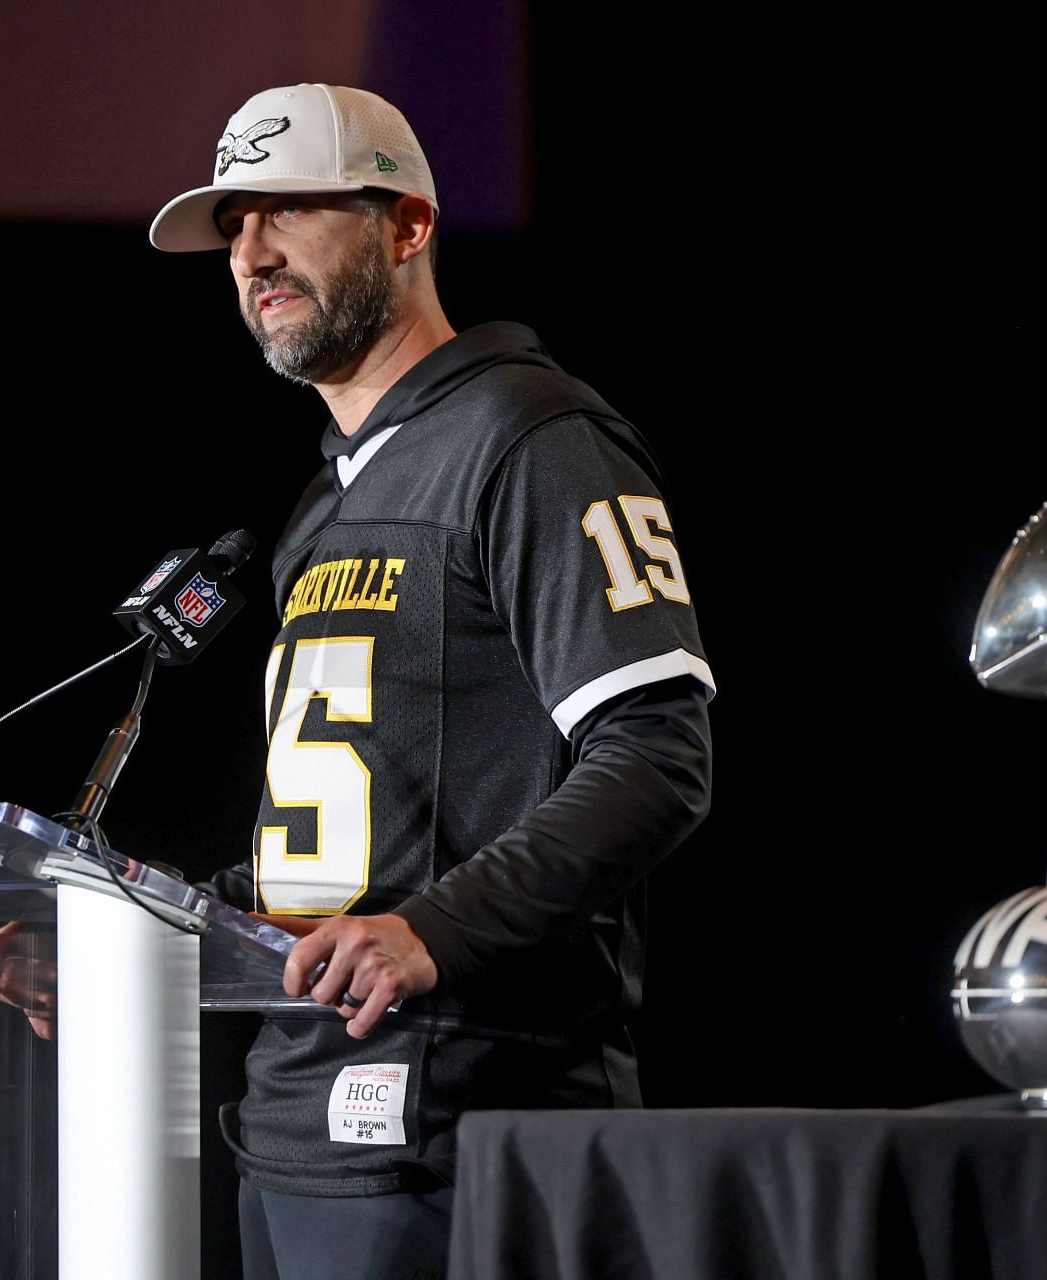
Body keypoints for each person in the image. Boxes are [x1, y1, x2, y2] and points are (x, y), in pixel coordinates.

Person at [148, 83, 714, 1279]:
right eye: (234, 223)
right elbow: (340, 856)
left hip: (464, 1131)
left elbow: (657, 752)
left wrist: (431, 931)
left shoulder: (533, 438)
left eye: (289, 209)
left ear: (407, 226)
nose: (251, 251)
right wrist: (129, 947)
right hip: (294, 1131)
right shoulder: (326, 502)